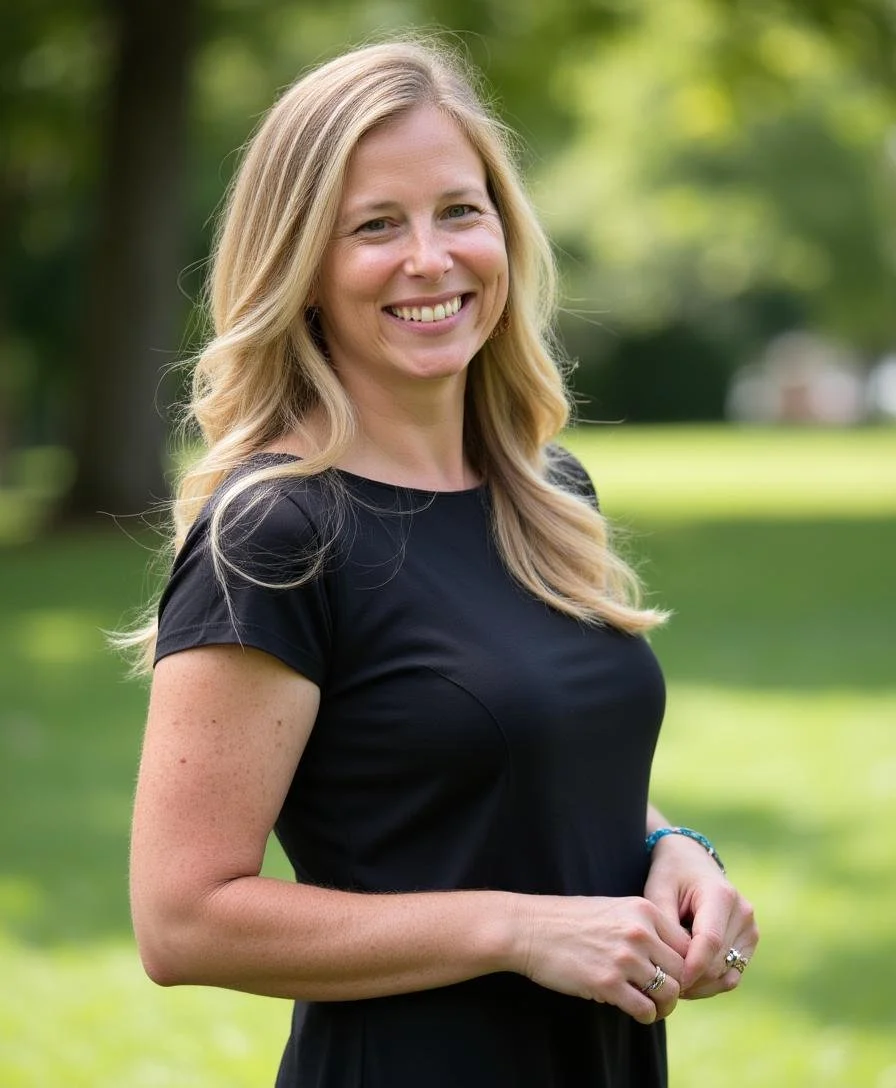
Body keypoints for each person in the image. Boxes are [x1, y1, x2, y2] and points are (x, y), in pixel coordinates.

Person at [126, 36, 758, 1087]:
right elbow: (182, 917)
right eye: (375, 225)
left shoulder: (544, 494)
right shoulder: (275, 535)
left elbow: (520, 770)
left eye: (459, 211)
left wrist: (672, 847)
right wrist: (513, 928)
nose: (430, 258)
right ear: (303, 268)